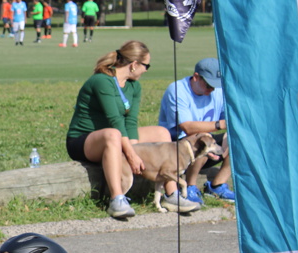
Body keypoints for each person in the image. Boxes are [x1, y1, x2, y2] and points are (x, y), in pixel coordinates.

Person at [66, 40, 199, 219]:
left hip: (116, 136)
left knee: (161, 133)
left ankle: (172, 195)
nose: (146, 70)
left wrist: (135, 150)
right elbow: (114, 120)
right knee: (113, 134)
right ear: (134, 64)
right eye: (146, 66)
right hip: (84, 140)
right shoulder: (102, 81)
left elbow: (130, 121)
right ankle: (117, 199)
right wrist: (131, 154)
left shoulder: (134, 86)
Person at [159, 58, 236, 203]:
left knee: (237, 138)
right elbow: (187, 128)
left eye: (215, 85)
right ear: (196, 77)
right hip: (176, 148)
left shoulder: (218, 92)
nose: (212, 89)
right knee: (203, 138)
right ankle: (190, 187)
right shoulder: (177, 90)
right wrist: (219, 125)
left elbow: (230, 121)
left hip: (205, 145)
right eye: (209, 85)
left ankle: (217, 185)